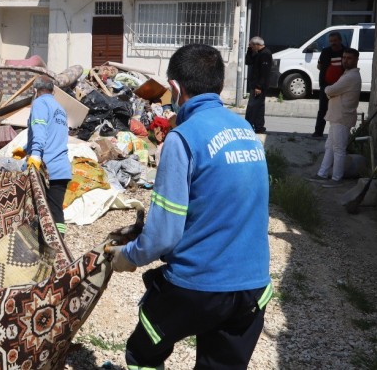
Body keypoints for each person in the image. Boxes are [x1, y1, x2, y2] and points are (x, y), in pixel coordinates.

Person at [106, 44, 272, 370]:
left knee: (143, 352)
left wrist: (128, 257)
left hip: (199, 286)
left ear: (175, 89)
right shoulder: (246, 131)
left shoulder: (183, 139)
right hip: (253, 289)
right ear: (220, 86)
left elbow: (164, 236)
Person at [12, 76, 71, 234]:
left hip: (46, 169)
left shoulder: (39, 103)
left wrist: (36, 154)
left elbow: (40, 129)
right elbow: (51, 135)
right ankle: (60, 247)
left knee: (35, 211)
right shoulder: (59, 108)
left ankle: (38, 247)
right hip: (62, 167)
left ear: (35, 91)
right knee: (56, 211)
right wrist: (26, 149)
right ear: (53, 91)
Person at [310, 48, 362, 187]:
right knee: (330, 147)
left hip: (342, 117)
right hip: (337, 115)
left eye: (349, 58)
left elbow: (331, 90)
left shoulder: (351, 76)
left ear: (356, 60)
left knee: (338, 149)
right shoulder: (347, 74)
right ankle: (323, 173)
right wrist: (332, 91)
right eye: (344, 57)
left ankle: (336, 178)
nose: (345, 60)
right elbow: (334, 91)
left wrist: (329, 90)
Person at [313, 31, 346, 138]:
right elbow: (319, 66)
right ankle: (318, 132)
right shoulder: (325, 51)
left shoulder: (346, 52)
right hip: (326, 85)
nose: (333, 43)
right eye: (331, 41)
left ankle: (338, 135)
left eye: (335, 41)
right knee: (322, 109)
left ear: (340, 40)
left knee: (339, 111)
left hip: (341, 87)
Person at [245, 36, 272, 134]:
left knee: (252, 107)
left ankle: (248, 126)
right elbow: (248, 61)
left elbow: (264, 73)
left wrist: (259, 86)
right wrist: (249, 50)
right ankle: (259, 127)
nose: (251, 48)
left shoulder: (265, 54)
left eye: (252, 46)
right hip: (255, 84)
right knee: (259, 106)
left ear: (257, 45)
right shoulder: (258, 54)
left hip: (259, 86)